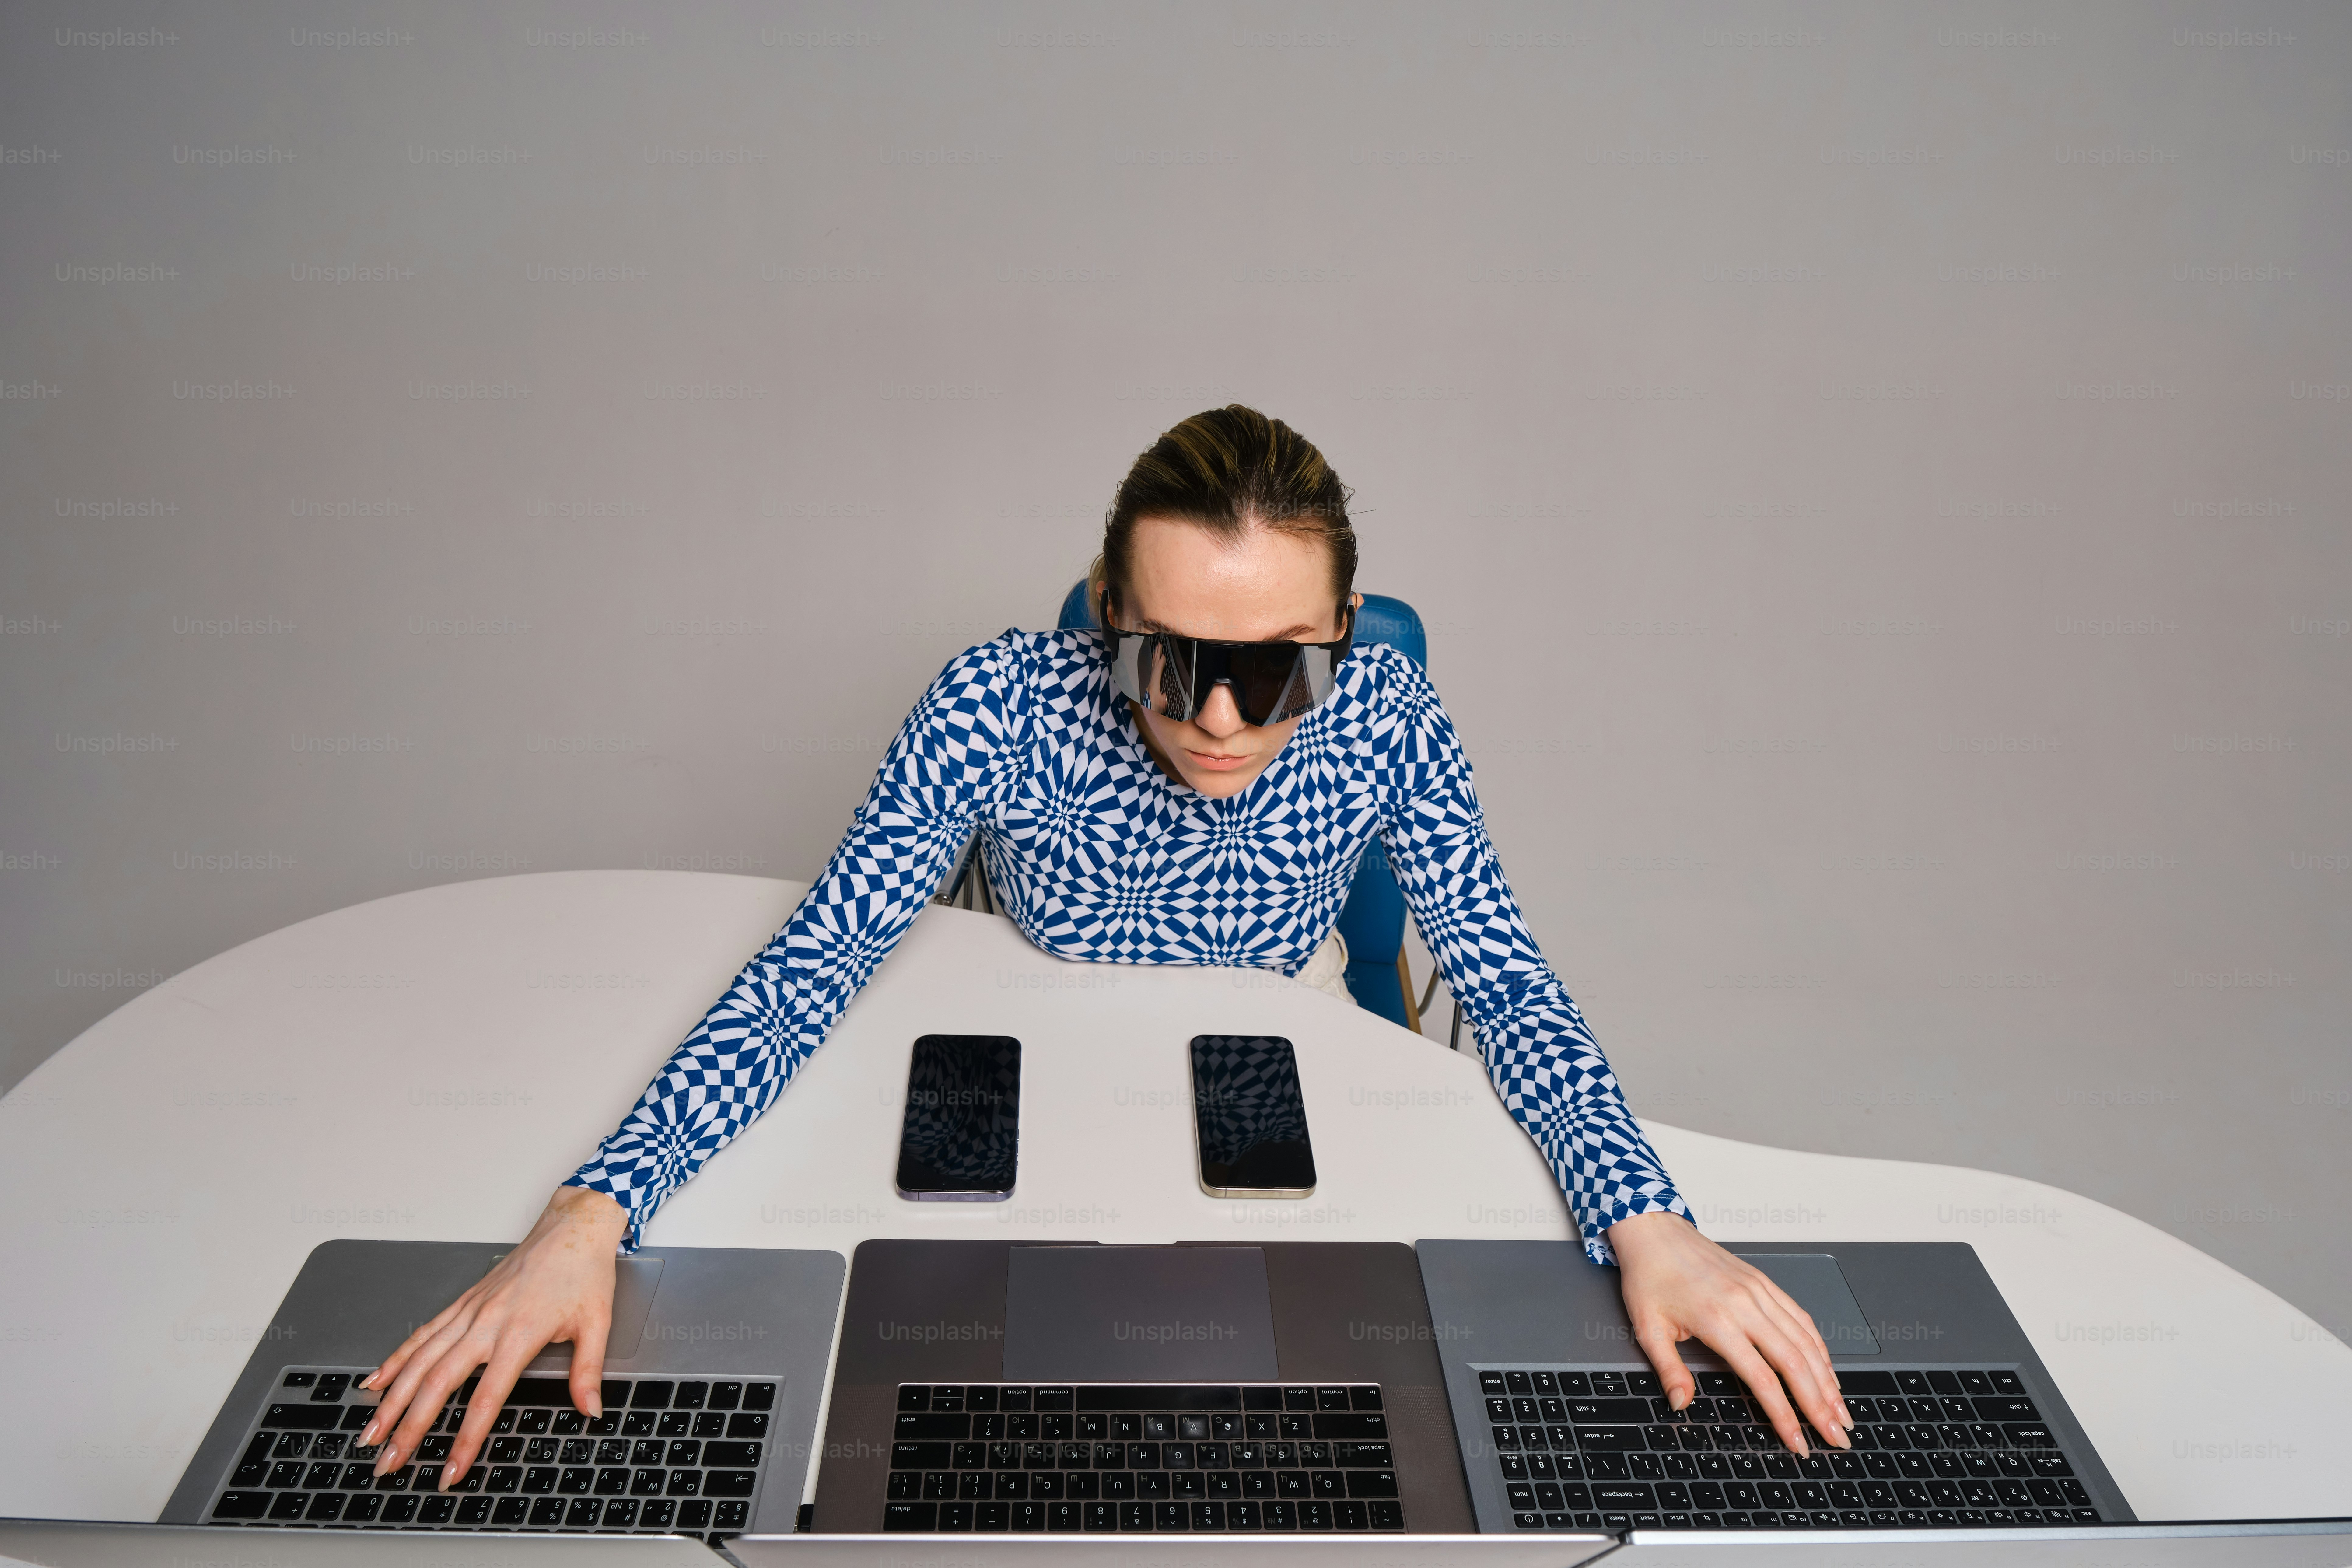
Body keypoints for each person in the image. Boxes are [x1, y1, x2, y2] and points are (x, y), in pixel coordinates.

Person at [359, 405, 1854, 1490]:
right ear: (1104, 617)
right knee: (949, 1434)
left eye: (1279, 674)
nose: (1217, 721)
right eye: (1169, 662)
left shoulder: (1394, 720)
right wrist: (591, 1208)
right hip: (1032, 1063)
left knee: (1342, 1445)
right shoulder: (994, 698)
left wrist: (1651, 1219)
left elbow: (1505, 974)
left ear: (1344, 629)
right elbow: (818, 956)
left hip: (1287, 1071)